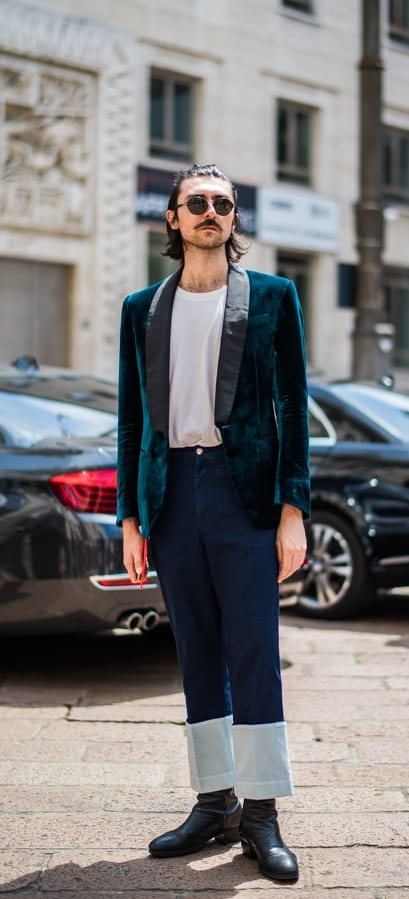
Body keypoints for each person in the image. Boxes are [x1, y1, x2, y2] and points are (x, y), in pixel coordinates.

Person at [116, 163, 310, 884]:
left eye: (222, 203)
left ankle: (260, 812)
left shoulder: (272, 299)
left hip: (244, 496)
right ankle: (213, 800)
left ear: (233, 221)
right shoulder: (143, 306)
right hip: (172, 493)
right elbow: (132, 415)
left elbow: (291, 407)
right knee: (196, 649)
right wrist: (131, 515)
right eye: (195, 202)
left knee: (254, 650)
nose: (209, 212)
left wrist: (292, 510)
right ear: (171, 217)